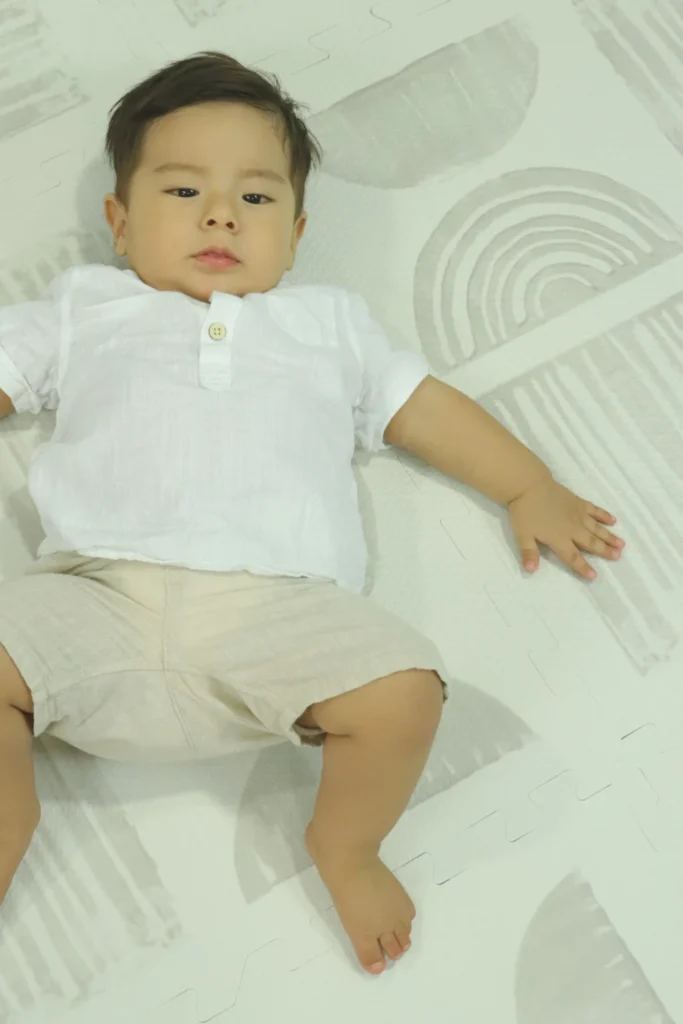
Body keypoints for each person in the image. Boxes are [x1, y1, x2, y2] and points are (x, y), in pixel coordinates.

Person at [0, 52, 624, 975]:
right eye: (183, 190)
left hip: (277, 616)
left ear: (294, 235)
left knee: (405, 690)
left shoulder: (329, 328)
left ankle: (346, 843)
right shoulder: (85, 308)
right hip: (94, 599)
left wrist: (527, 484)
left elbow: (425, 410)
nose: (220, 214)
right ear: (120, 223)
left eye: (254, 198)